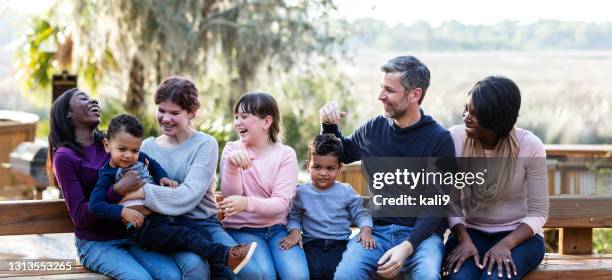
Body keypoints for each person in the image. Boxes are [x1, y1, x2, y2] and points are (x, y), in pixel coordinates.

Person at [319, 55, 455, 279]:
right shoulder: (373, 129)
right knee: (345, 274)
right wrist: (328, 123)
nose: (380, 96)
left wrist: (407, 246)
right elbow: (339, 153)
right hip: (375, 233)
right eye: (381, 88)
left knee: (428, 275)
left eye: (389, 90)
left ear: (415, 94)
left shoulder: (439, 139)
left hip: (422, 237)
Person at [47, 89, 191, 280]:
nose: (94, 100)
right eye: (84, 99)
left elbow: (146, 160)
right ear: (68, 113)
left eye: (92, 97)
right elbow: (79, 216)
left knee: (172, 276)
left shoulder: (109, 143)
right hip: (96, 243)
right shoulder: (65, 157)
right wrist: (117, 190)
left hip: (132, 234)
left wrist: (161, 176)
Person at [88, 114, 256, 275]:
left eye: (134, 150)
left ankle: (219, 271)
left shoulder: (139, 157)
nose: (128, 155)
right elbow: (95, 205)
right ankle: (226, 256)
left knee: (201, 233)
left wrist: (163, 177)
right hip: (145, 229)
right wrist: (122, 212)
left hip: (162, 215)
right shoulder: (107, 174)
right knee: (185, 236)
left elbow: (152, 164)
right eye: (122, 149)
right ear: (107, 145)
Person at [120, 76, 240, 279]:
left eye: (175, 113)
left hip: (203, 223)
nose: (166, 118)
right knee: (196, 266)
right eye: (161, 110)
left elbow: (188, 195)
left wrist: (142, 192)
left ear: (192, 113)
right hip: (164, 226)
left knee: (251, 271)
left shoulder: (205, 144)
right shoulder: (147, 148)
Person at [443, 76, 549, 280]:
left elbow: (539, 211)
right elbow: (450, 202)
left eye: (474, 113)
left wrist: (506, 244)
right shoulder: (454, 139)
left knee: (495, 278)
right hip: (470, 233)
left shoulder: (530, 146)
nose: (466, 117)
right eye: (465, 109)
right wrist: (463, 240)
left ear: (496, 119)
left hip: (520, 237)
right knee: (459, 278)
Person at [219, 92, 309, 280]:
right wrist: (232, 167)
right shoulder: (232, 150)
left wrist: (247, 203)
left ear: (266, 122)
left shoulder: (285, 155)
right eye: (236, 117)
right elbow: (231, 199)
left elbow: (281, 204)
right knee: (264, 275)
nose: (237, 122)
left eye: (244, 116)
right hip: (241, 230)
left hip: (277, 230)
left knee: (297, 276)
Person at [280, 134, 375, 280]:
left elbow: (361, 212)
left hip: (340, 244)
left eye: (330, 168)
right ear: (308, 166)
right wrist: (294, 232)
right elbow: (294, 216)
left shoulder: (346, 191)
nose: (323, 173)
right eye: (317, 167)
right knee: (314, 271)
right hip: (311, 244)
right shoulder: (301, 192)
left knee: (339, 271)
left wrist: (366, 229)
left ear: (339, 168)